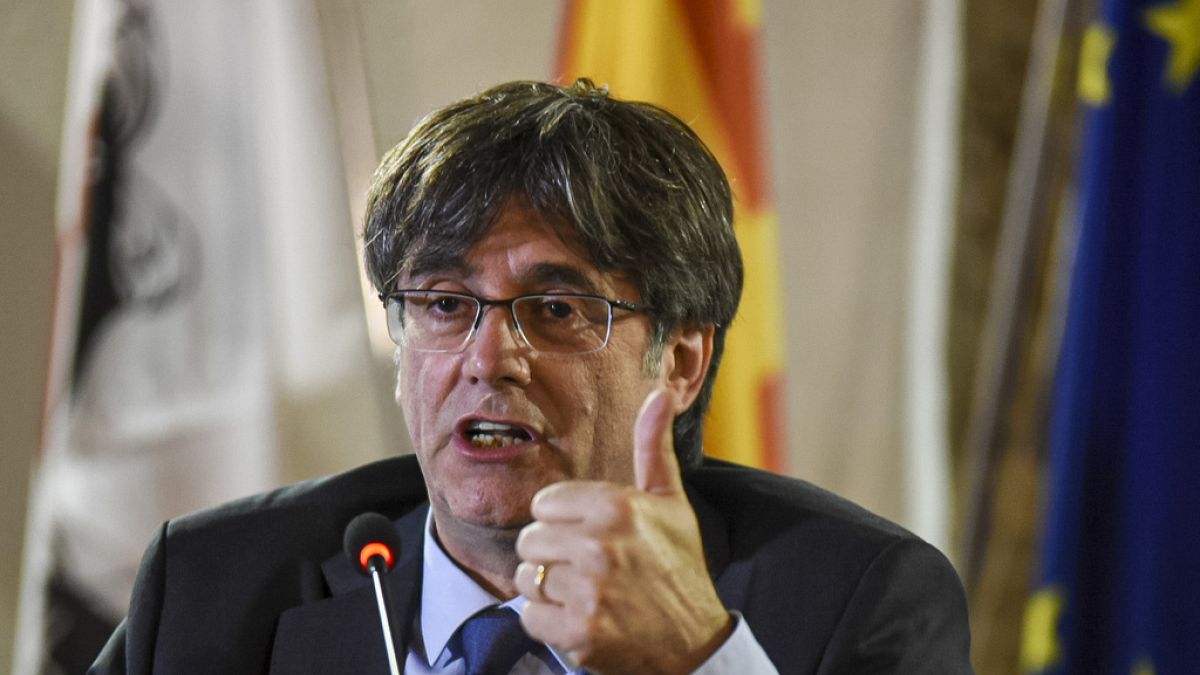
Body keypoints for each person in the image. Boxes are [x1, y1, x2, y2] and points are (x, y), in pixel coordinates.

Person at [90, 79, 972, 674]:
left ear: (684, 358)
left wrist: (699, 662)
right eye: (442, 303)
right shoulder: (213, 590)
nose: (486, 358)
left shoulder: (857, 602)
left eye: (555, 310)